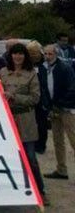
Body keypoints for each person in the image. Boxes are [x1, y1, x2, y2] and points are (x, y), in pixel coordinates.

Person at [0, 43, 46, 204]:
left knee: (30, 158)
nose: (17, 57)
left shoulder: (31, 74)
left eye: (20, 54)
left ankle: (40, 191)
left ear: (25, 56)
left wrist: (14, 97)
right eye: (14, 54)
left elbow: (35, 98)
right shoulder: (3, 72)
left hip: (26, 119)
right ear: (10, 55)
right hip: (8, 119)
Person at [41, 44, 75, 181]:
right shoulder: (44, 69)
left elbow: (72, 88)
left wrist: (60, 103)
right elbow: (44, 88)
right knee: (57, 140)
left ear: (55, 54)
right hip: (54, 108)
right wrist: (49, 106)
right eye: (46, 54)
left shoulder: (64, 68)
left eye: (50, 54)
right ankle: (61, 169)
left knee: (73, 138)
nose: (48, 57)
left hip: (66, 107)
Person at [27, 40, 50, 154]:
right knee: (37, 122)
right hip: (33, 97)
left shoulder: (43, 66)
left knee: (41, 123)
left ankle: (40, 145)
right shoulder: (30, 65)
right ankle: (37, 144)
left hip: (40, 98)